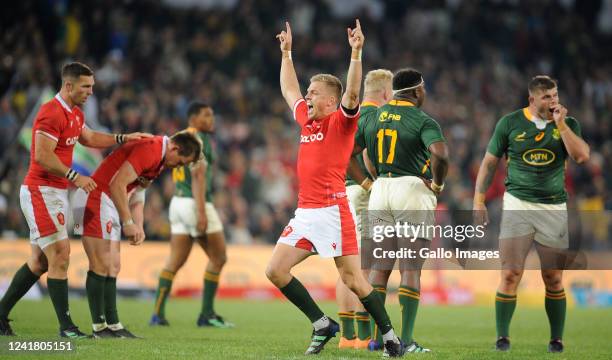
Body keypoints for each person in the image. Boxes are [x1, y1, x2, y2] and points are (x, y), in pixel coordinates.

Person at [264, 20, 405, 357]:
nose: (306, 97)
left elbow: (353, 93)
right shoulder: (306, 120)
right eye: (308, 93)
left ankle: (390, 338)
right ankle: (321, 324)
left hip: (332, 211)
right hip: (305, 213)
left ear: (330, 100)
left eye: (313, 94)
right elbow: (288, 91)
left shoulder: (341, 122)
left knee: (355, 281)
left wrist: (356, 53)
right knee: (275, 270)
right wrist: (286, 54)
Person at [0, 62, 149, 338]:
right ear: (68, 86)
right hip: (40, 191)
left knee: (40, 262)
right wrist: (74, 176)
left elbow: (90, 138)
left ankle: (0, 315)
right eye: (86, 86)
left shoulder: (75, 114)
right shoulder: (50, 113)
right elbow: (42, 155)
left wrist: (122, 138)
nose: (91, 92)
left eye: (92, 86)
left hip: (55, 193)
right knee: (60, 254)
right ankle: (66, 328)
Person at [473, 75, 589, 353]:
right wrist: (478, 200)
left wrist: (560, 124)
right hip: (517, 205)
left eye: (556, 95)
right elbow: (489, 163)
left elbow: (582, 156)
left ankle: (556, 339)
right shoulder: (510, 123)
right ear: (532, 99)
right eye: (547, 97)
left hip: (553, 207)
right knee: (511, 273)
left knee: (553, 277)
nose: (554, 101)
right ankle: (502, 338)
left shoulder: (568, 124)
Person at [72, 131, 202, 338]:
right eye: (180, 162)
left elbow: (138, 191)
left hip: (110, 201)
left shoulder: (160, 158)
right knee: (100, 263)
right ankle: (99, 327)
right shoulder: (151, 148)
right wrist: (128, 222)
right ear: (175, 148)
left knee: (113, 265)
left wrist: (138, 223)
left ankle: (113, 325)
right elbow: (117, 184)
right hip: (95, 196)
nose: (178, 167)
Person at [358, 68, 449, 353]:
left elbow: (351, 152)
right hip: (411, 191)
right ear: (417, 90)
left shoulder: (374, 116)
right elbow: (440, 153)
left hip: (380, 191)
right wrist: (437, 184)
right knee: (410, 270)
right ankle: (406, 341)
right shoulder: (423, 120)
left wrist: (369, 179)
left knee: (379, 270)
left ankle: (378, 339)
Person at [149, 102, 231, 328]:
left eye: (212, 114)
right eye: (206, 115)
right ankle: (207, 314)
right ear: (193, 118)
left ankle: (157, 314)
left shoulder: (178, 138)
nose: (211, 119)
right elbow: (199, 176)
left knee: (175, 260)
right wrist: (202, 212)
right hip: (196, 202)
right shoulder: (198, 140)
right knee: (219, 257)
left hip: (177, 202)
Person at [336, 69, 393, 350]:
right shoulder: (376, 117)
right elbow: (366, 158)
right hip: (359, 194)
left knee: (346, 268)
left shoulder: (349, 113)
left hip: (339, 192)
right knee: (363, 268)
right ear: (386, 93)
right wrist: (371, 183)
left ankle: (347, 337)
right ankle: (363, 336)